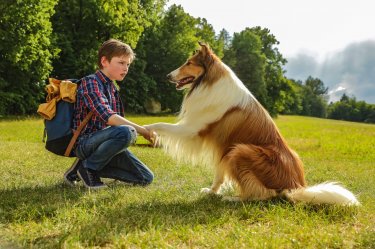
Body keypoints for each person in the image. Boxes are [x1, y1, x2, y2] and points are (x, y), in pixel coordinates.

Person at [63, 39, 154, 189]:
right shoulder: (90, 82)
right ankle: (88, 168)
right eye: (121, 63)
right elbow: (110, 118)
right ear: (104, 61)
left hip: (105, 143)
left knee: (146, 178)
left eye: (128, 64)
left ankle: (78, 170)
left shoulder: (112, 88)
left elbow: (118, 122)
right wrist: (143, 131)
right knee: (127, 132)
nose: (125, 68)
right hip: (85, 143)